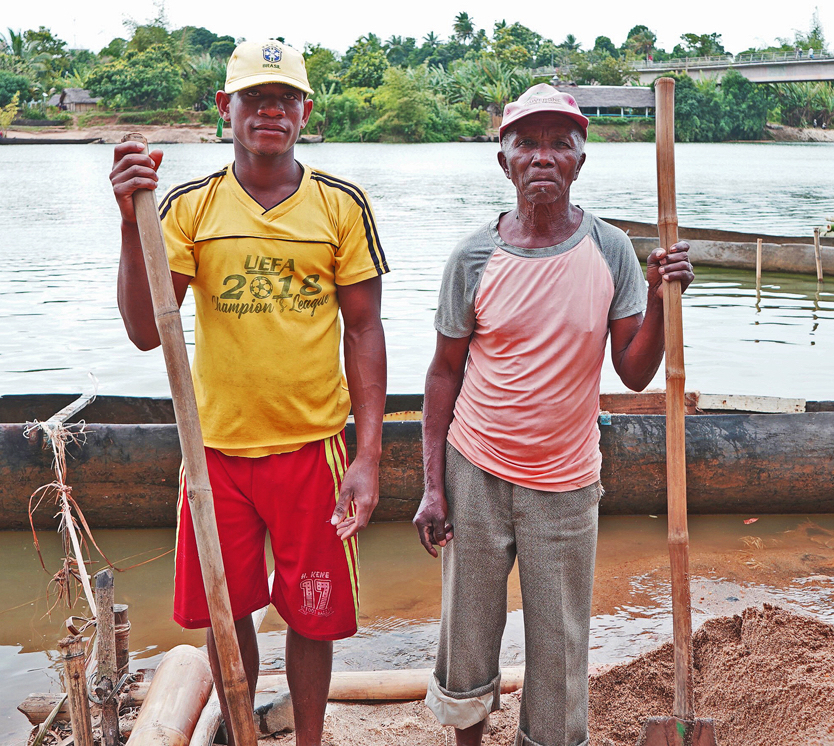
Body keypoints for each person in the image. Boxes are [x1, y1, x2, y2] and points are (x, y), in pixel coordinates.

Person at [109, 39, 388, 745]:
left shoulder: (340, 205)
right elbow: (147, 331)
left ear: (305, 112)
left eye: (284, 98)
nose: (270, 111)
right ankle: (238, 725)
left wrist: (368, 456)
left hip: (311, 449)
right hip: (215, 456)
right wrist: (126, 224)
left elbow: (363, 332)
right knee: (226, 615)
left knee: (311, 615)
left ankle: (309, 740)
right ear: (224, 109)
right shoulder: (190, 207)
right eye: (254, 99)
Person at [413, 84, 693, 746]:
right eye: (527, 143)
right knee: (468, 631)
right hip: (475, 468)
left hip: (565, 481)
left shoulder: (610, 250)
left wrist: (658, 298)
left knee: (560, 646)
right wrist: (431, 485)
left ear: (579, 161)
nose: (543, 156)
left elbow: (631, 370)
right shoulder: (472, 258)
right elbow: (441, 373)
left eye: (559, 144)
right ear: (504, 159)